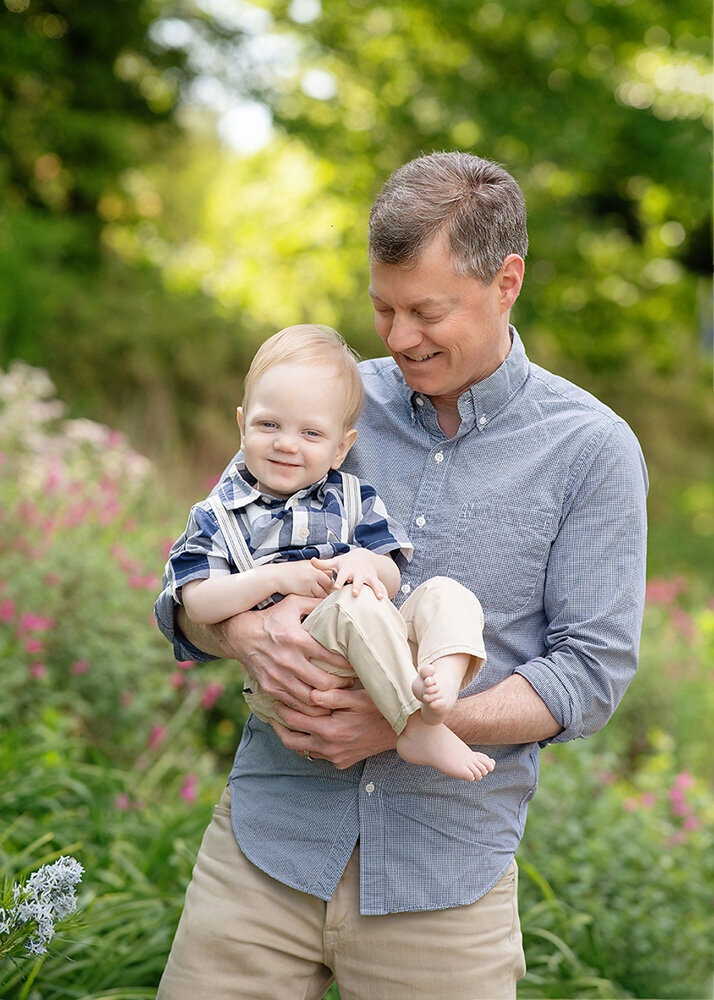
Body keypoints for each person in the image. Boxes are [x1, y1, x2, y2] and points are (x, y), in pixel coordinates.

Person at [154, 151, 648, 1000]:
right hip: (265, 851)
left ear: (507, 282)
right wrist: (244, 633)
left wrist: (407, 721)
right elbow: (191, 585)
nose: (398, 337)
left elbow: (588, 676)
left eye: (427, 311)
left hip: (443, 883)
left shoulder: (591, 451)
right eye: (382, 308)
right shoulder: (324, 402)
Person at [164, 323, 494, 781]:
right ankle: (417, 726)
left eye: (311, 434)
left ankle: (441, 682)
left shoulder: (354, 497)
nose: (285, 443)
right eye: (269, 424)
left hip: (375, 646)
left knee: (446, 594)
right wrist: (277, 579)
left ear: (342, 448)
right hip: (300, 665)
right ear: (242, 426)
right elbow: (196, 602)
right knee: (355, 602)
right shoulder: (219, 513)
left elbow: (392, 574)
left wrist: (367, 562)